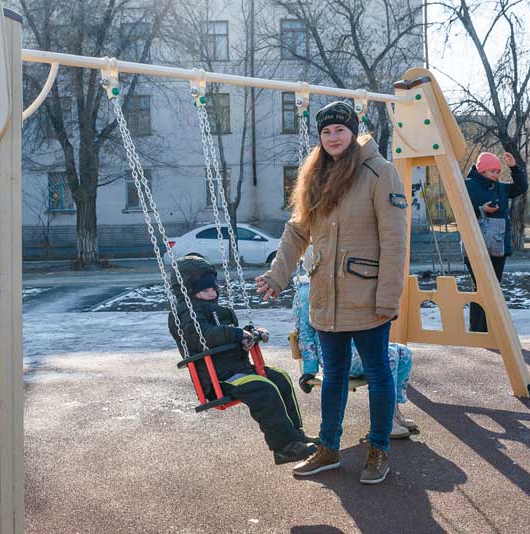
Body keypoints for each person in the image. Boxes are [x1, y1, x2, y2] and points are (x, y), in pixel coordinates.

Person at [255, 101, 408, 485]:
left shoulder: (379, 172)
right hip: (326, 295)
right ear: (320, 138)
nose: (333, 137)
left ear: (353, 132)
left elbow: (394, 241)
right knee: (334, 374)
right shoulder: (315, 175)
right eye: (326, 132)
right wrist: (277, 275)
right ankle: (328, 448)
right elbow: (297, 231)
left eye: (340, 130)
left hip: (367, 296)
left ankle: (378, 448)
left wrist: (388, 299)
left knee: (377, 372)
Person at [168, 254, 317, 465]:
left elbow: (232, 332)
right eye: (205, 290)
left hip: (239, 369)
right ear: (190, 292)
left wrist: (252, 334)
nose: (212, 294)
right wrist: (238, 335)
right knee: (263, 389)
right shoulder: (183, 314)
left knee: (280, 378)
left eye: (213, 289)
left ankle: (295, 434)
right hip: (218, 379)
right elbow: (205, 335)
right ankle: (283, 447)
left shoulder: (220, 310)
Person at [292, 252, 417, 439]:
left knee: (403, 353)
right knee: (389, 356)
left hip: (354, 346)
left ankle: (392, 411)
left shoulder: (337, 284)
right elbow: (305, 334)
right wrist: (309, 370)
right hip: (335, 355)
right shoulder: (306, 292)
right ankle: (385, 422)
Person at [463, 152, 528, 332]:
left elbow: (521, 187)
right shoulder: (467, 185)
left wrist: (514, 168)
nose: (496, 175)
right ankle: (478, 330)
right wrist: (481, 210)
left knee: (494, 287)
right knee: (481, 286)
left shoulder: (500, 188)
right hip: (475, 243)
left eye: (498, 171)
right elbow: (459, 211)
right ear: (482, 169)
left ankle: (491, 329)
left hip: (499, 244)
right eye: (492, 171)